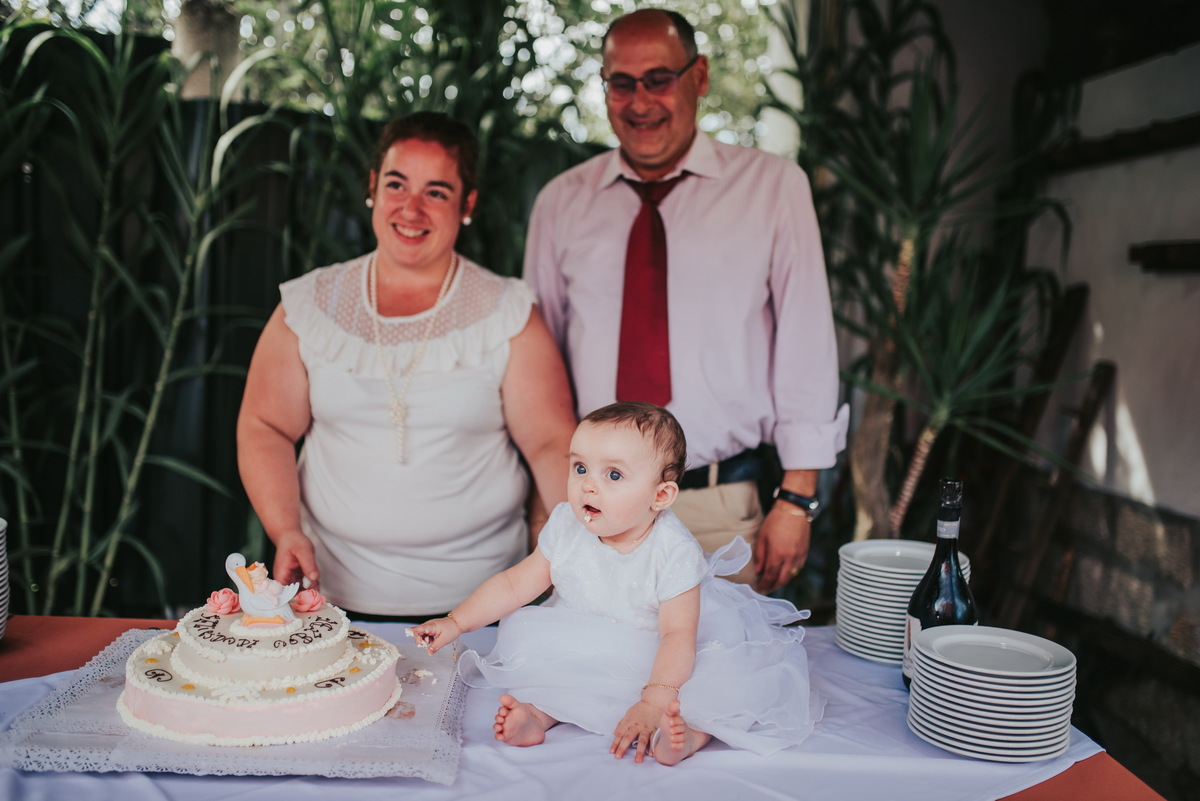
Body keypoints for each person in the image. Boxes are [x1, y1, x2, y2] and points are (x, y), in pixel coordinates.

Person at [524, 9, 848, 592]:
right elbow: (539, 372)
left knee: (720, 652)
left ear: (698, 77)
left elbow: (806, 347)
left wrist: (797, 499)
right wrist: (545, 502)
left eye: (659, 79)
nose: (639, 102)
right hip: (590, 512)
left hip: (724, 506)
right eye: (621, 83)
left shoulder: (774, 189)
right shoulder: (560, 204)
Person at [237, 112, 576, 619]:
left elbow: (552, 444)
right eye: (396, 184)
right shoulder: (307, 306)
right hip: (328, 600)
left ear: (467, 205)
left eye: (436, 192)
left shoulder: (509, 314)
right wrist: (285, 529)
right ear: (373, 187)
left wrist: (576, 549)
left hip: (482, 607)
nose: (411, 208)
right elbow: (265, 426)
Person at [412, 402, 821, 765]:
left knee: (714, 690)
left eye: (613, 474)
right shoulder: (566, 524)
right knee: (556, 673)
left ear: (660, 496)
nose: (588, 485)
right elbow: (515, 585)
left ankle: (687, 736)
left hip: (662, 652)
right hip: (583, 637)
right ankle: (536, 716)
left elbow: (678, 635)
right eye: (580, 468)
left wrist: (653, 701)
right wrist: (457, 621)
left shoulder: (673, 550)